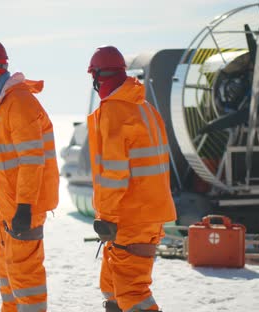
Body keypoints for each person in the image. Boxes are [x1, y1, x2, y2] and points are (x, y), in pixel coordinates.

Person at [0, 37, 59, 312]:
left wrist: (24, 207)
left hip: (22, 212)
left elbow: (32, 161)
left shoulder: (18, 102)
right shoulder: (2, 102)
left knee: (26, 285)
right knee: (10, 286)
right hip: (7, 210)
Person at [86, 46, 177, 312]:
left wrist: (108, 218)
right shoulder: (145, 108)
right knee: (113, 289)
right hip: (146, 214)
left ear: (98, 77)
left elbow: (115, 173)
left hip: (129, 217)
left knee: (132, 293)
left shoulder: (115, 111)